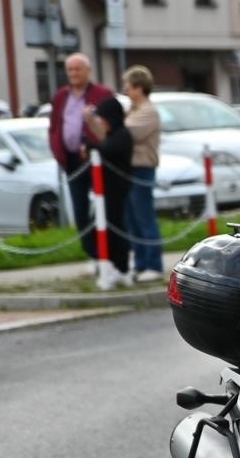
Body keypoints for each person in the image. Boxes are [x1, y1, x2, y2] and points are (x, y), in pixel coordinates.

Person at [47, 53, 114, 273]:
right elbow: (54, 126)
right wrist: (58, 150)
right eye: (70, 70)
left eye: (78, 69)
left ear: (88, 71)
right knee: (80, 209)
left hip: (96, 159)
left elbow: (111, 124)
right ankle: (91, 253)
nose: (74, 74)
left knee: (105, 206)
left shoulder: (101, 94)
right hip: (72, 160)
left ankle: (109, 252)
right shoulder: (60, 97)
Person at [83, 95, 133, 286]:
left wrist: (90, 146)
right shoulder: (114, 135)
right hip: (107, 191)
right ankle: (113, 265)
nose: (101, 123)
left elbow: (107, 150)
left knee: (115, 229)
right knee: (106, 228)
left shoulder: (121, 136)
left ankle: (122, 267)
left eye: (103, 119)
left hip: (116, 190)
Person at [121, 65, 165, 282]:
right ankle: (139, 263)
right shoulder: (133, 109)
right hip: (129, 168)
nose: (125, 89)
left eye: (128, 85)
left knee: (144, 217)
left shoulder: (148, 111)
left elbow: (127, 134)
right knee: (132, 219)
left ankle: (154, 264)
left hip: (142, 168)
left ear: (139, 87)